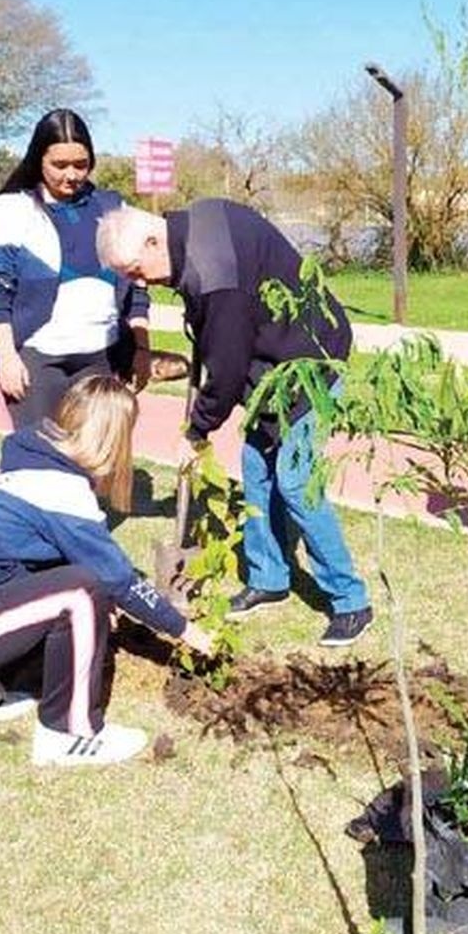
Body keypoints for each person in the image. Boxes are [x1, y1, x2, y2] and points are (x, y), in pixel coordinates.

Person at [0, 375, 214, 767]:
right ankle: (68, 734)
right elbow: (120, 580)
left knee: (79, 584)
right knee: (81, 592)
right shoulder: (59, 488)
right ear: (111, 437)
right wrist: (186, 631)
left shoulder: (28, 456)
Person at [95, 198, 374, 647]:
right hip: (273, 364)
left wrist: (197, 431)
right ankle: (270, 578)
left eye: (135, 270)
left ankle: (350, 601)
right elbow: (218, 337)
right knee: (256, 470)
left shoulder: (213, 274)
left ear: (152, 239)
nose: (138, 281)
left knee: (295, 478)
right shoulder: (191, 230)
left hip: (311, 363)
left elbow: (225, 365)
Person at [0, 110, 152, 429]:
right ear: (38, 159)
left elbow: (137, 286)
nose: (71, 175)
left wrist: (141, 348)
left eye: (80, 165)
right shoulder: (9, 210)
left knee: (94, 458)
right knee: (40, 458)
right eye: (59, 165)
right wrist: (7, 356)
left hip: (101, 356)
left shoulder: (113, 207)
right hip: (38, 359)